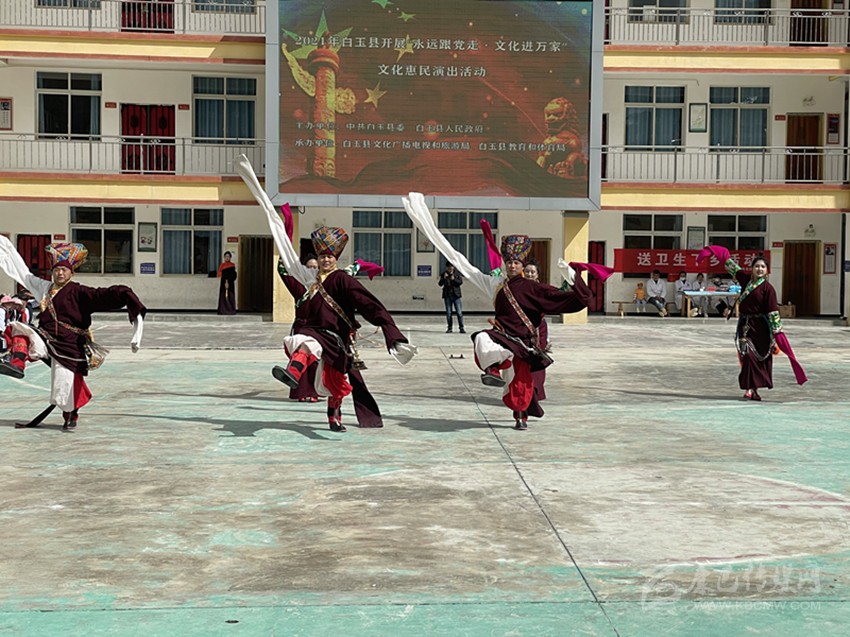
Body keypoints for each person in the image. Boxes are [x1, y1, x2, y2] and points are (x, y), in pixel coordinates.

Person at [236, 154, 417, 432]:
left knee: (337, 382)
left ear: (336, 258)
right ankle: (292, 373)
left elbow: (369, 304)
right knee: (305, 343)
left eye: (330, 256)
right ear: (317, 258)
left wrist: (390, 330)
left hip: (336, 339)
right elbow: (286, 269)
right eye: (322, 256)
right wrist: (286, 232)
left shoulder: (342, 279)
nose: (325, 260)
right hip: (313, 333)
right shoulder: (308, 283)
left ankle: (334, 418)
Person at [403, 191, 613, 430]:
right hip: (502, 338)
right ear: (505, 263)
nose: (512, 265)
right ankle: (492, 368)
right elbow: (462, 263)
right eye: (509, 262)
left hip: (522, 343)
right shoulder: (496, 284)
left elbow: (576, 301)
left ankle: (520, 417)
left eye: (516, 262)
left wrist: (573, 277)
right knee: (481, 337)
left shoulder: (534, 288)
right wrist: (432, 232)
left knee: (518, 383)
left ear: (522, 265)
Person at [0, 238, 146, 430]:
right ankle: (17, 363)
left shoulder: (79, 292)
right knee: (20, 329)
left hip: (69, 345)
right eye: (56, 270)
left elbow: (102, 295)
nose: (60, 273)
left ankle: (70, 415)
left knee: (64, 384)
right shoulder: (44, 288)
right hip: (46, 338)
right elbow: (24, 274)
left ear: (71, 273)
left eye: (64, 270)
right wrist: (5, 247)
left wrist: (124, 294)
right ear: (52, 272)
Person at [697, 247, 807, 400]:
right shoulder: (745, 280)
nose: (760, 269)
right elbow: (731, 265)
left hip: (761, 329)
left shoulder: (768, 289)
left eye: (763, 267)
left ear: (767, 270)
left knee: (758, 358)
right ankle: (750, 388)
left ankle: (753, 388)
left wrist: (777, 334)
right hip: (745, 326)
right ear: (752, 268)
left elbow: (773, 313)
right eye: (757, 266)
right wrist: (712, 252)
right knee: (746, 356)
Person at [278, 254, 320, 403]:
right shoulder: (299, 287)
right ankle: (301, 392)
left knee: (315, 361)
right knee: (300, 355)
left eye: (315, 267)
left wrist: (360, 264)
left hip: (318, 328)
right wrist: (283, 249)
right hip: (301, 328)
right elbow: (282, 271)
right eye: (309, 267)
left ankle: (314, 392)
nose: (312, 270)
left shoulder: (325, 286)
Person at [523, 258, 549, 403]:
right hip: (521, 327)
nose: (529, 274)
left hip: (539, 328)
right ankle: (523, 392)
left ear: (537, 274)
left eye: (532, 272)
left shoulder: (542, 289)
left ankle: (536, 391)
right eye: (527, 271)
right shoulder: (518, 288)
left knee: (538, 357)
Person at [438, 261, 464, 333]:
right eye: (448, 267)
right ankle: (450, 328)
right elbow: (440, 284)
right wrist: (444, 278)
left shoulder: (457, 274)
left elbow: (460, 282)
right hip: (447, 296)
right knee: (449, 313)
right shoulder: (444, 274)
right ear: (446, 268)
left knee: (459, 312)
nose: (450, 268)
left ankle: (461, 328)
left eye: (451, 267)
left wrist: (454, 279)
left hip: (456, 295)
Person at [217, 251, 237, 315]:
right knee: (223, 296)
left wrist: (231, 278)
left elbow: (234, 275)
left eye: (228, 256)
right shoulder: (222, 265)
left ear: (230, 257)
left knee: (230, 296)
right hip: (224, 283)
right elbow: (219, 273)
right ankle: (223, 310)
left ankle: (231, 310)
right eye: (226, 256)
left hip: (230, 284)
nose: (227, 258)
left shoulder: (232, 265)